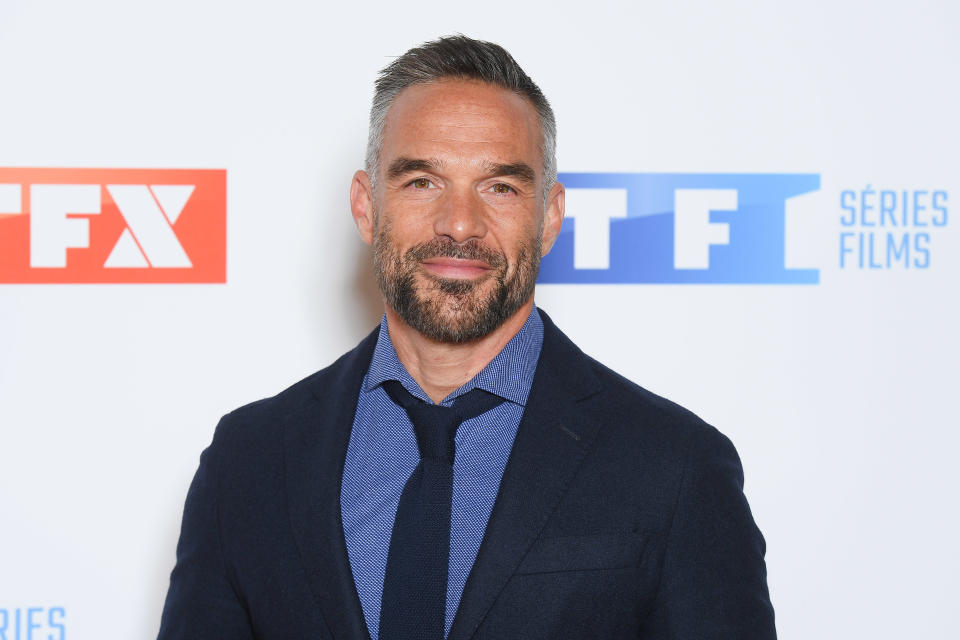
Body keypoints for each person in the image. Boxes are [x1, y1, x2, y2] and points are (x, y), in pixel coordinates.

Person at [157, 35, 776, 640]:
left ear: (550, 217)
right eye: (422, 181)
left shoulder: (676, 467)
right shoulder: (249, 460)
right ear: (367, 206)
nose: (459, 224)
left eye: (500, 187)